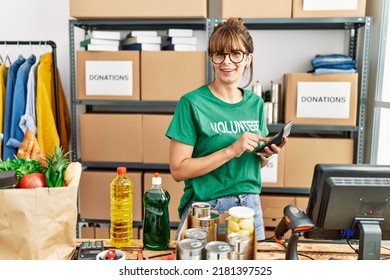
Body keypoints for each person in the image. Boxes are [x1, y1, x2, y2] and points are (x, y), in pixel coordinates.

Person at [165, 17, 287, 241]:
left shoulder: (255, 103)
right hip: (206, 210)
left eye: (236, 54)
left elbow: (249, 165)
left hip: (250, 208)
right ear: (212, 58)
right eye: (219, 54)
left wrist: (265, 156)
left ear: (248, 58)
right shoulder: (192, 103)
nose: (227, 62)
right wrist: (231, 150)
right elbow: (178, 171)